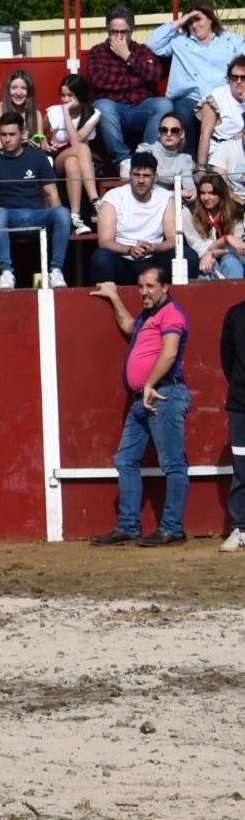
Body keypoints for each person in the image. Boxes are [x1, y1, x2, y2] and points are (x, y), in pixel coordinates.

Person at [89, 266, 191, 548]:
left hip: (163, 395)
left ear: (165, 287)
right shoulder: (149, 316)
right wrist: (113, 297)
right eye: (140, 287)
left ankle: (171, 528)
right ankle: (128, 526)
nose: (144, 292)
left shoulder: (172, 314)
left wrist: (149, 384)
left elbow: (169, 352)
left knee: (172, 463)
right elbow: (128, 326)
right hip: (144, 399)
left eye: (150, 286)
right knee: (125, 460)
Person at [0, 112, 71, 289]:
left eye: (12, 134)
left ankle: (56, 272)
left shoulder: (37, 156)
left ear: (22, 134)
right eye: (3, 135)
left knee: (62, 212)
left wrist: (56, 222)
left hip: (36, 214)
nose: (7, 139)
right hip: (7, 216)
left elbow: (52, 194)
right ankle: (6, 273)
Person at [83, 6, 173, 162]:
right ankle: (123, 160)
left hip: (140, 107)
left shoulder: (142, 51)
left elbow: (155, 74)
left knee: (164, 105)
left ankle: (146, 157)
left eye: (123, 32)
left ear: (131, 31)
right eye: (113, 32)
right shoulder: (97, 51)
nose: (119, 37)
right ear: (107, 30)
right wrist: (138, 78)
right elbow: (98, 80)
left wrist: (127, 56)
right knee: (102, 106)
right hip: (112, 109)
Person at [148, 1, 244, 147]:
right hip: (191, 99)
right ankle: (190, 161)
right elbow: (153, 44)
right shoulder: (179, 42)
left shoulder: (229, 40)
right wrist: (180, 21)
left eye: (198, 19)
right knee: (183, 113)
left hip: (223, 97)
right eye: (190, 21)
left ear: (210, 19)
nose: (194, 25)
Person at [92, 154, 179, 286]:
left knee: (188, 256)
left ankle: (178, 305)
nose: (141, 180)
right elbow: (105, 242)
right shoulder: (114, 197)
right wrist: (130, 249)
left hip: (154, 260)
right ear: (130, 175)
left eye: (146, 176)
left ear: (155, 177)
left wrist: (154, 247)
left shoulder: (166, 198)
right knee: (101, 258)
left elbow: (173, 239)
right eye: (136, 174)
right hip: (123, 259)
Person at [48, 75, 105, 232]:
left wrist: (67, 114)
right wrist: (43, 142)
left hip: (80, 162)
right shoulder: (54, 112)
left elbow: (76, 140)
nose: (65, 99)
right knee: (82, 148)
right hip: (58, 155)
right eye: (63, 94)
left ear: (80, 95)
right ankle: (95, 199)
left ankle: (75, 216)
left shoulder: (93, 114)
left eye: (70, 95)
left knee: (73, 161)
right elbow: (37, 131)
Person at [181, 174, 245, 282]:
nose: (206, 198)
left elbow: (238, 249)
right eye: (202, 193)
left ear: (221, 194)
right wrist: (226, 239)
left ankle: (235, 298)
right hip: (202, 258)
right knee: (206, 267)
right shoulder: (188, 213)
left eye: (211, 193)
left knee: (231, 262)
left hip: (231, 257)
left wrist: (212, 253)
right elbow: (198, 247)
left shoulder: (236, 212)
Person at [220, 293, 245, 553]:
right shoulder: (235, 315)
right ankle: (242, 527)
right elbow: (227, 360)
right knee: (242, 468)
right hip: (241, 405)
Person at [196, 58, 245, 185]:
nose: (238, 81)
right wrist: (201, 167)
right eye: (234, 77)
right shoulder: (218, 95)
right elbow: (205, 134)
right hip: (219, 150)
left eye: (243, 78)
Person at [0, 67, 49, 150]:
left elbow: (39, 141)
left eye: (23, 88)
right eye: (14, 88)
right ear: (8, 90)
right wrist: (19, 141)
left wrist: (40, 144)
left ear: (29, 91)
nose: (19, 93)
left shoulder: (36, 114)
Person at [144, 112, 198, 197]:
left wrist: (192, 194)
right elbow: (146, 180)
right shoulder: (147, 152)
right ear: (159, 132)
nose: (169, 134)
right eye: (164, 130)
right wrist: (177, 178)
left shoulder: (184, 159)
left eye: (174, 130)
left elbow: (189, 187)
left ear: (182, 134)